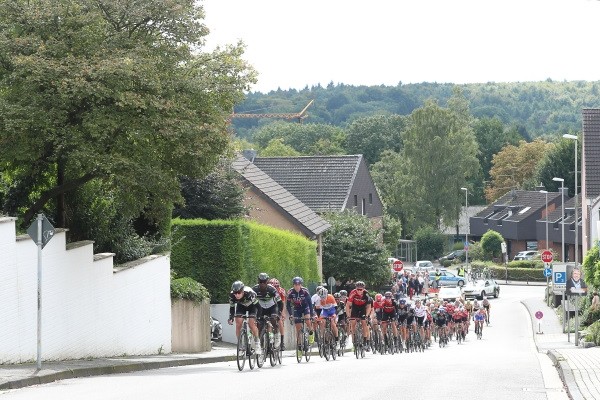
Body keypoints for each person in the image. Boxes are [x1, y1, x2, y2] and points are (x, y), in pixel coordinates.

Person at [228, 281, 262, 355]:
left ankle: (257, 343)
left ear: (243, 291)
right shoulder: (231, 295)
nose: (237, 295)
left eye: (239, 292)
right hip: (241, 306)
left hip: (252, 307)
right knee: (238, 324)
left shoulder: (250, 294)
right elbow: (232, 307)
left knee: (251, 324)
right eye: (235, 293)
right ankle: (240, 346)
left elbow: (259, 307)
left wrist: (258, 318)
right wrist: (231, 317)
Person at [252, 273, 284, 349]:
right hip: (261, 308)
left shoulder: (272, 289)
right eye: (260, 282)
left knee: (273, 319)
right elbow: (252, 303)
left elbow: (280, 302)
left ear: (267, 282)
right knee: (259, 325)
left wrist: (279, 313)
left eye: (264, 282)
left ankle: (277, 334)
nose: (262, 284)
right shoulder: (254, 289)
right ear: (258, 281)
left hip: (272, 307)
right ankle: (259, 343)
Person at [286, 277, 315, 354]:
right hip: (297, 309)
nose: (297, 286)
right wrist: (291, 315)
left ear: (301, 285)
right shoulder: (290, 292)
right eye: (295, 285)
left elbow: (310, 303)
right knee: (298, 329)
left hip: (305, 307)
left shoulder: (305, 291)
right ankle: (299, 346)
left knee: (307, 320)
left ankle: (311, 332)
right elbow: (288, 305)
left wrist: (311, 314)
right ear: (293, 285)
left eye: (298, 285)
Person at [346, 281, 372, 350]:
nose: (359, 291)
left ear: (363, 289)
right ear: (355, 289)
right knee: (353, 323)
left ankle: (365, 341)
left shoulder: (366, 294)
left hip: (363, 307)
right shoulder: (353, 293)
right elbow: (348, 305)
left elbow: (369, 306)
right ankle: (354, 340)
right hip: (355, 307)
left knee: (364, 323)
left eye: (361, 289)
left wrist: (366, 316)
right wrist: (348, 315)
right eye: (358, 289)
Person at [268, 278, 287, 350]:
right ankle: (269, 342)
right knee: (268, 323)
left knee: (280, 322)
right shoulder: (267, 290)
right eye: (273, 287)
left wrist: (283, 314)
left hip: (278, 307)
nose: (275, 289)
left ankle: (282, 342)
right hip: (269, 307)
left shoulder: (281, 291)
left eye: (276, 287)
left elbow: (283, 303)